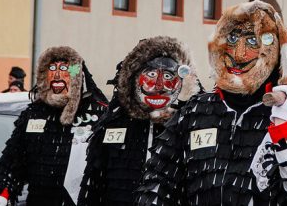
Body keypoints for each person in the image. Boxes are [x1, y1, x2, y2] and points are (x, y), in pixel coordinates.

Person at [135, 0, 287, 205]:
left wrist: (283, 128)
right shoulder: (196, 111)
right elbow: (158, 180)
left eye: (253, 42)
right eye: (233, 39)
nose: (239, 54)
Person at [77, 37, 199, 206]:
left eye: (168, 75)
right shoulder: (113, 123)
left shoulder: (190, 125)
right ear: (134, 78)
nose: (159, 85)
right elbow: (93, 185)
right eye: (151, 74)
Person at [0, 46, 108, 206]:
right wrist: (2, 192)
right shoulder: (34, 113)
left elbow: (113, 167)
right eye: (52, 69)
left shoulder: (99, 113)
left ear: (77, 76)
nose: (57, 75)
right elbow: (12, 161)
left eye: (64, 69)